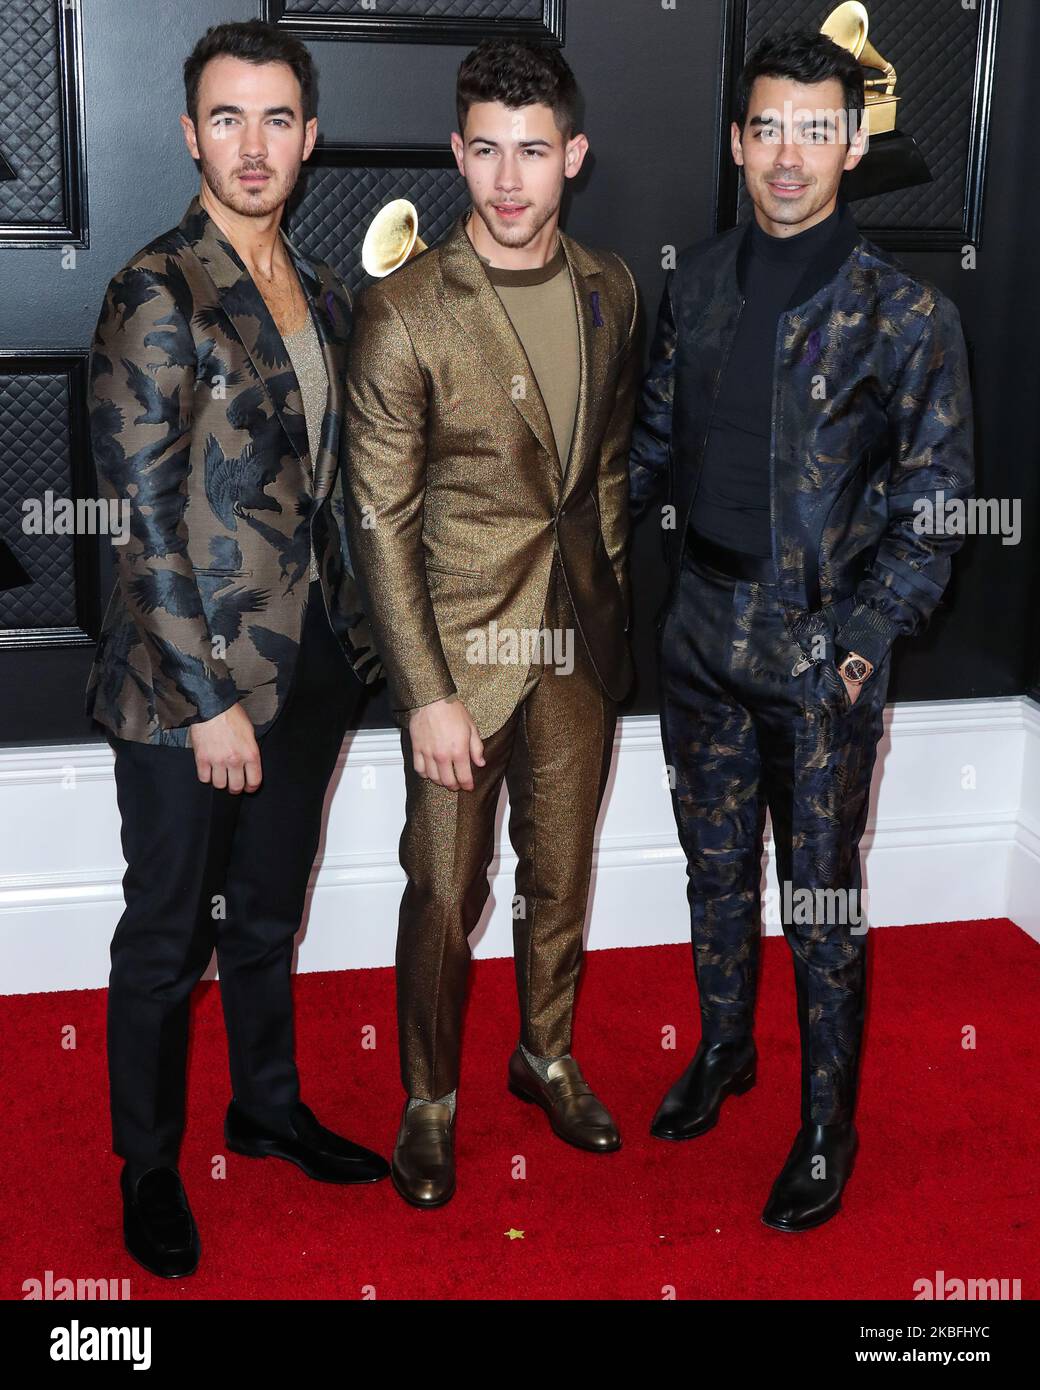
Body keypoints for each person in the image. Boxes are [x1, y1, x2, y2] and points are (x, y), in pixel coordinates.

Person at [629, 31, 974, 1231]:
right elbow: (656, 445)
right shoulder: (700, 280)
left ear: (853, 143)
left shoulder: (906, 315)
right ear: (736, 143)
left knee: (816, 899)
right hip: (698, 635)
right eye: (766, 128)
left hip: (818, 650)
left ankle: (828, 1123)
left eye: (813, 129)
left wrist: (860, 640)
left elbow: (933, 518)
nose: (787, 154)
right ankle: (725, 1049)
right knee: (710, 870)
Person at [86, 20, 389, 1278]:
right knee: (168, 933)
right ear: (190, 132)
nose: (253, 145)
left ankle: (262, 1108)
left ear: (308, 137)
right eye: (227, 118)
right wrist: (206, 700)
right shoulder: (156, 286)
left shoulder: (319, 290)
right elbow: (138, 522)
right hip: (185, 694)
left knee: (264, 913)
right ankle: (148, 1167)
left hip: (308, 666)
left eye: (276, 119)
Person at [343, 39, 639, 1207]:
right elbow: (378, 519)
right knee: (443, 892)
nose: (508, 182)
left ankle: (544, 1054)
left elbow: (604, 468)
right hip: (460, 658)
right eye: (484, 151)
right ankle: (428, 1098)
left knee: (557, 876)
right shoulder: (405, 310)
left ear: (571, 154)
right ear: (455, 154)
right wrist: (423, 691)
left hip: (575, 648)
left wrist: (607, 607)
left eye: (532, 152)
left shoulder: (614, 286)